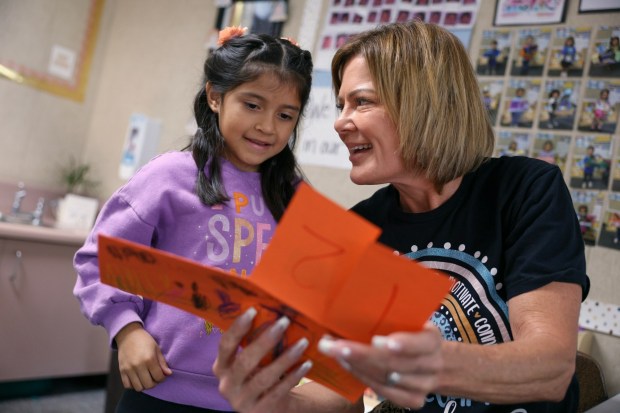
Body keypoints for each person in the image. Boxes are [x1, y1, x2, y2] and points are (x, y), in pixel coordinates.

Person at [213, 21, 589, 412]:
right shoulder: (357, 229)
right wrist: (275, 402)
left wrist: (434, 361)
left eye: (361, 102)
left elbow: (550, 367)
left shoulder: (526, 189)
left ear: (422, 103)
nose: (340, 122)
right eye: (341, 105)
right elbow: (343, 395)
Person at [72, 26, 355, 413]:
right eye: (252, 105)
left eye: (285, 114)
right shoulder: (169, 176)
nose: (268, 126)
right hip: (161, 389)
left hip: (256, 401)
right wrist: (127, 329)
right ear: (215, 96)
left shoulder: (295, 197)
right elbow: (99, 259)